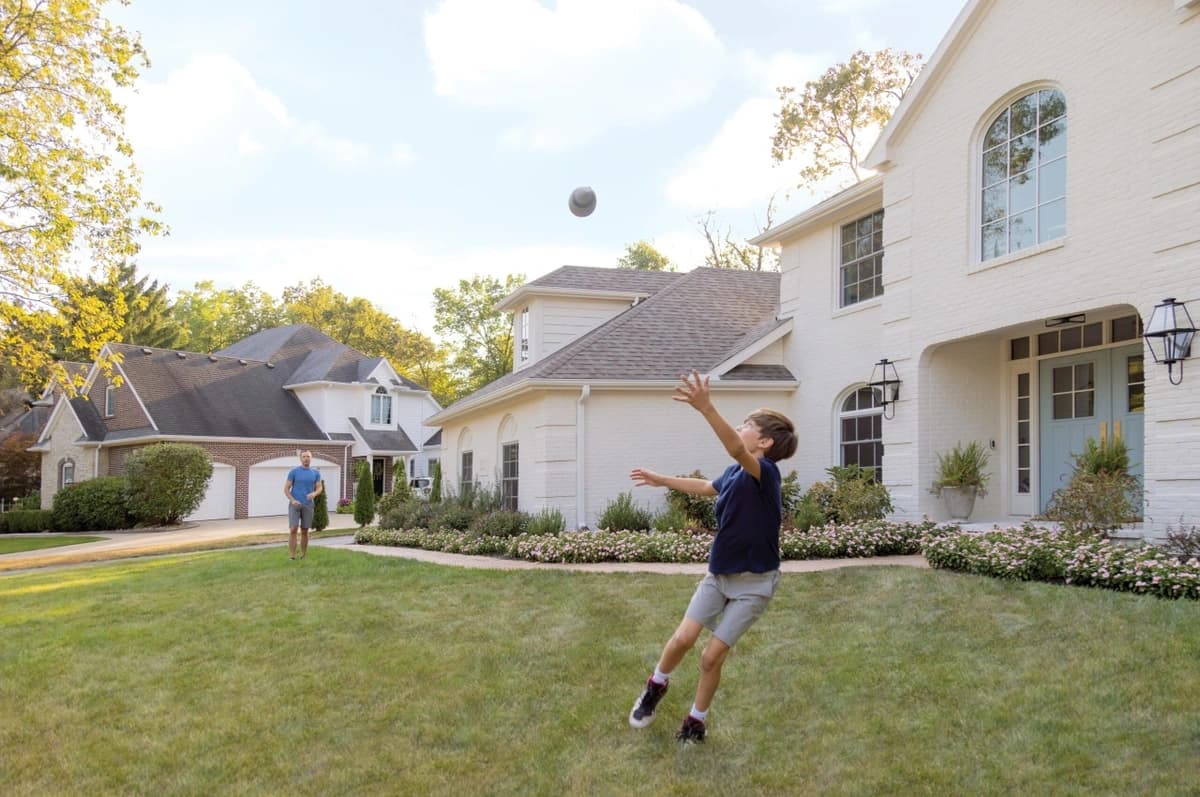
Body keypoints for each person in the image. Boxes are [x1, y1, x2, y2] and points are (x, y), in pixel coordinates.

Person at [627, 370, 797, 744]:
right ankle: (656, 686)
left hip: (754, 585)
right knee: (683, 639)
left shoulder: (764, 473)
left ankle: (695, 722)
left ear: (765, 442)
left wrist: (707, 408)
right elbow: (707, 486)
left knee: (710, 657)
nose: (740, 428)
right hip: (719, 574)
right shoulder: (737, 471)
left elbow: (736, 448)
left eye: (746, 424)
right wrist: (662, 479)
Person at [283, 449, 323, 560]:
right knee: (293, 529)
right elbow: (286, 489)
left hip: (308, 505)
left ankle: (303, 555)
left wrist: (314, 494)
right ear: (301, 458)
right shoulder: (294, 472)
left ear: (311, 458)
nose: (306, 458)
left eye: (308, 456)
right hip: (295, 505)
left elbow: (319, 487)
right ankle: (292, 556)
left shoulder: (315, 473)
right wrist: (292, 500)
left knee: (305, 530)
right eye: (304, 456)